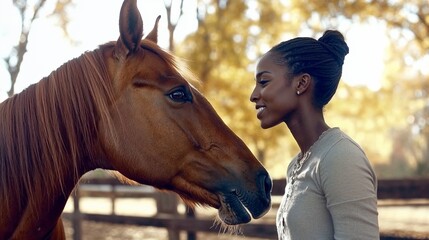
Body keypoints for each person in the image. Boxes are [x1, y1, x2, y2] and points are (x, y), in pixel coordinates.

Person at [250, 30, 379, 239]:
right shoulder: (297, 165)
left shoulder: (341, 157)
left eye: (263, 82)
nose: (253, 95)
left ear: (301, 83)